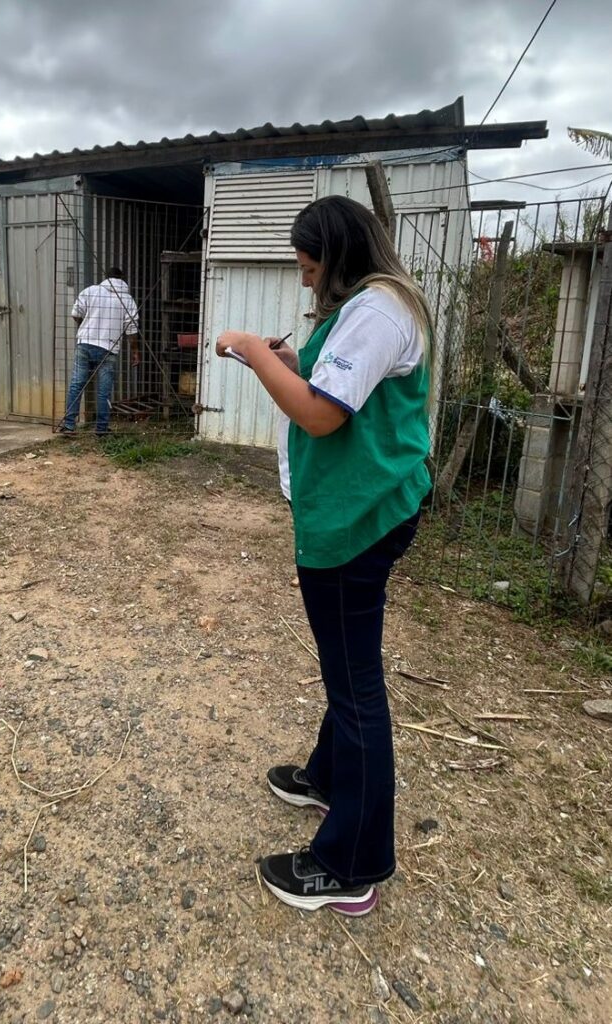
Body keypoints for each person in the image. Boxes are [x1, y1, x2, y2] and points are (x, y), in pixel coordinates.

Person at [216, 195, 432, 918]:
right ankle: (328, 777)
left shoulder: (376, 311)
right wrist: (287, 361)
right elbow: (331, 387)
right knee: (346, 666)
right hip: (357, 508)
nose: (305, 279)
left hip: (357, 519)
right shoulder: (374, 306)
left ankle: (351, 863)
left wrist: (253, 353)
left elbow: (319, 412)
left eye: (309, 266)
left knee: (354, 683)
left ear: (336, 255)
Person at [58, 267, 140, 437]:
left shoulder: (90, 291)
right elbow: (132, 329)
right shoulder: (127, 299)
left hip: (85, 344)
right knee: (104, 391)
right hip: (108, 349)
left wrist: (86, 326)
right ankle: (101, 429)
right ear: (122, 279)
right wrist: (135, 351)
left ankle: (69, 426)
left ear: (106, 277)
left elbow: (76, 313)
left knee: (77, 385)